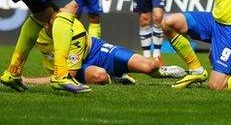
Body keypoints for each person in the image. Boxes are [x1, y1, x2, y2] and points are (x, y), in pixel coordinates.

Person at [22, 18, 185, 86]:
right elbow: (67, 76)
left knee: (149, 65)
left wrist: (28, 80)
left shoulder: (74, 30)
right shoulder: (38, 35)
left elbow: (66, 76)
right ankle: (114, 77)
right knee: (99, 76)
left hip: (96, 51)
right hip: (77, 68)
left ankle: (163, 71)